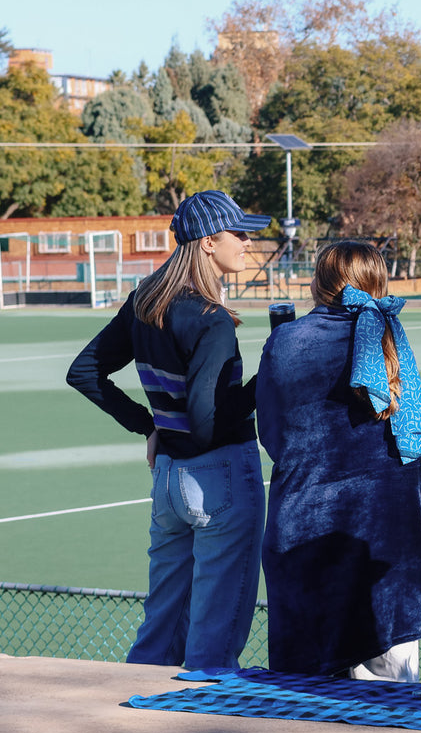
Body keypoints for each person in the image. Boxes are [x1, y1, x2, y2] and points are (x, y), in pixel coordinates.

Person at [66, 190, 270, 669]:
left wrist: (149, 426)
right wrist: (270, 376)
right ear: (206, 243)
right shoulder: (211, 320)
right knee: (212, 648)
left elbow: (84, 372)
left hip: (169, 480)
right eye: (238, 234)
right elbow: (207, 425)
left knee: (158, 633)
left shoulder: (145, 301)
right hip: (219, 478)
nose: (247, 243)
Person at [256, 241, 421, 681]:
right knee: (393, 704)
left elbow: (272, 437)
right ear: (379, 282)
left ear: (318, 283)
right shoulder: (390, 335)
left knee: (311, 698)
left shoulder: (284, 341)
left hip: (303, 531)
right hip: (388, 538)